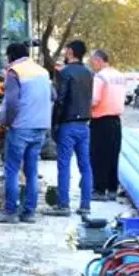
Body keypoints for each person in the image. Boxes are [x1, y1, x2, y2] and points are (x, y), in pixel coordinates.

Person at [0, 42, 52, 224]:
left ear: (10, 56)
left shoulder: (14, 72)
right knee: (32, 171)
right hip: (40, 127)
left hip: (21, 127)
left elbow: (12, 103)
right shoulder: (42, 72)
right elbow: (53, 96)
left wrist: (4, 121)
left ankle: (10, 212)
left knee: (12, 170)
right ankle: (29, 213)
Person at [44, 40, 94, 216]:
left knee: (64, 165)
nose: (65, 53)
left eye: (66, 51)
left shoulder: (64, 73)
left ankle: (63, 205)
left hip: (68, 124)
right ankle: (85, 205)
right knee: (85, 165)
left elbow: (60, 100)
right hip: (84, 125)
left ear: (71, 52)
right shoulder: (89, 73)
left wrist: (54, 123)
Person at [89, 49, 127, 201]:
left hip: (100, 120)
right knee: (113, 155)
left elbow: (94, 99)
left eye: (93, 62)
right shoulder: (119, 76)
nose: (93, 66)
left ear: (98, 60)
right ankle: (112, 188)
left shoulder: (100, 77)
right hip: (116, 120)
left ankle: (99, 190)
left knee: (98, 156)